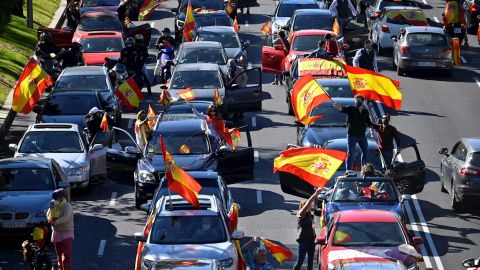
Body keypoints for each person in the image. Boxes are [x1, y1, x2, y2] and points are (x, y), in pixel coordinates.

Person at [333, 94, 374, 170]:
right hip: (352, 136)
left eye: (359, 100)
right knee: (350, 154)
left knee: (365, 152)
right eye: (356, 100)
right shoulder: (351, 108)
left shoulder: (365, 111)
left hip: (362, 136)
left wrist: (371, 130)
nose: (357, 102)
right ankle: (348, 170)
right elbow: (342, 109)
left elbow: (368, 121)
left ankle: (364, 168)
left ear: (362, 101)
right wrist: (337, 106)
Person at [294, 188, 322, 270]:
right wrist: (315, 194)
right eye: (307, 206)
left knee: (310, 262)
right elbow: (307, 204)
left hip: (311, 240)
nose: (309, 206)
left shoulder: (310, 215)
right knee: (299, 261)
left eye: (309, 206)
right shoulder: (301, 214)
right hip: (303, 240)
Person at [47, 189, 73, 270]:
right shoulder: (55, 207)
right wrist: (51, 208)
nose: (55, 201)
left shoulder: (67, 206)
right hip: (56, 233)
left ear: (62, 198)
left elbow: (66, 217)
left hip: (66, 233)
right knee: (59, 255)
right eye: (54, 199)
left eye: (56, 199)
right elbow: (49, 217)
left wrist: (57, 222)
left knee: (66, 255)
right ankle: (60, 268)